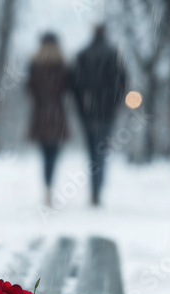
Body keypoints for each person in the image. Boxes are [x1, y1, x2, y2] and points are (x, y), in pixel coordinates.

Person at [70, 25, 126, 205]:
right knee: (101, 151)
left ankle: (95, 189)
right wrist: (115, 104)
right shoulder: (112, 54)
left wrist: (81, 108)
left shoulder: (82, 55)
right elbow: (122, 81)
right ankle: (97, 189)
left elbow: (74, 86)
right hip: (106, 112)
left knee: (92, 152)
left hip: (88, 112)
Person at [27, 33, 69, 206]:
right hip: (57, 115)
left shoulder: (35, 65)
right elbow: (68, 88)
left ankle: (47, 188)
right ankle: (49, 188)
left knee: (46, 155)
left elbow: (29, 88)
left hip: (41, 116)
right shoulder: (62, 66)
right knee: (53, 154)